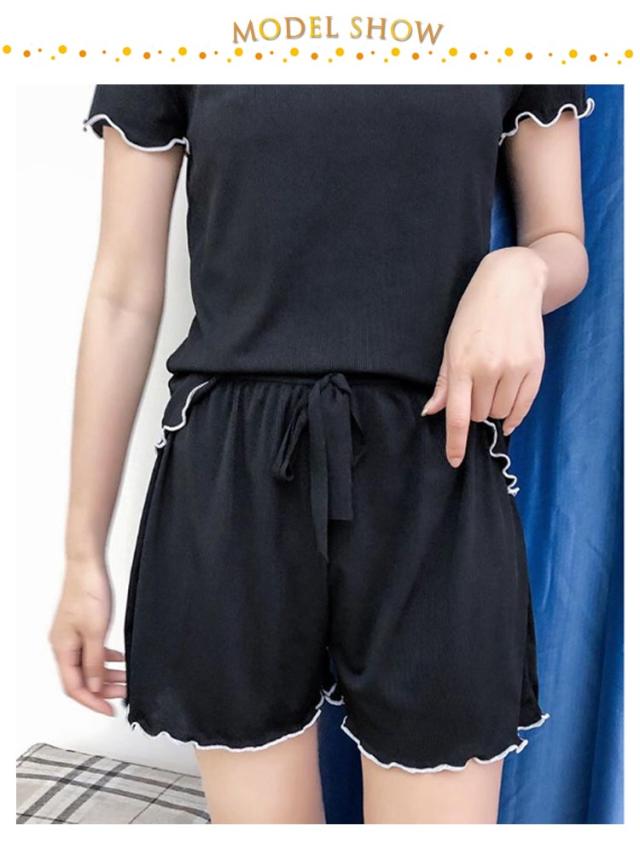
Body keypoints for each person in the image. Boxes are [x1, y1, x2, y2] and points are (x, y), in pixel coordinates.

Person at [49, 84, 594, 824]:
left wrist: (520, 270)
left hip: (434, 459)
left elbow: (562, 236)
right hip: (234, 476)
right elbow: (122, 294)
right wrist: (82, 557)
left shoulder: (517, 32)